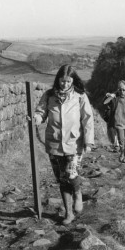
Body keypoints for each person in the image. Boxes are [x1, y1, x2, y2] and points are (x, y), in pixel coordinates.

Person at [32, 65, 94, 225]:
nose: (64, 84)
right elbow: (41, 112)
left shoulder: (80, 96)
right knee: (62, 179)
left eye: (68, 81)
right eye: (62, 81)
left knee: (71, 174)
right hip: (54, 143)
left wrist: (88, 141)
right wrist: (37, 119)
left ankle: (78, 193)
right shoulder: (49, 95)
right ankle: (69, 213)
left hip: (74, 143)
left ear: (73, 81)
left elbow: (88, 119)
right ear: (58, 79)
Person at [104, 80, 125, 163]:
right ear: (118, 90)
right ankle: (122, 154)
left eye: (123, 89)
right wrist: (108, 95)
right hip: (119, 123)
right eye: (120, 90)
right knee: (121, 141)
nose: (122, 91)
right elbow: (105, 102)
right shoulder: (115, 98)